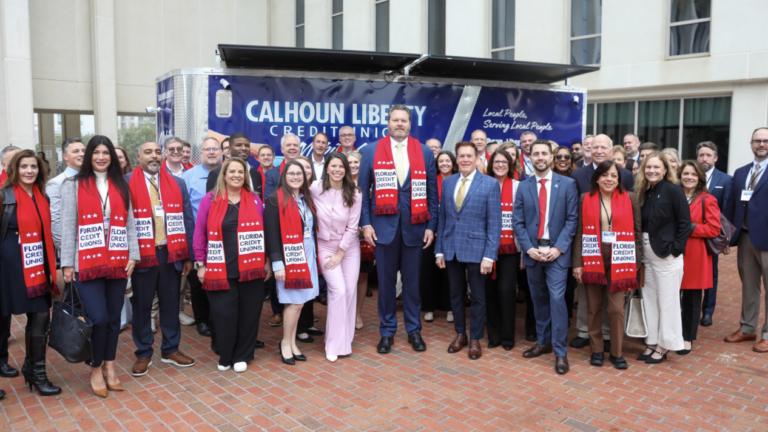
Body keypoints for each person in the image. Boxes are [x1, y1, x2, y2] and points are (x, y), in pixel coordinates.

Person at [61, 135, 140, 397]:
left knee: (114, 319)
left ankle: (110, 365)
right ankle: (95, 367)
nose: (101, 157)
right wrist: (67, 263)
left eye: (106, 153)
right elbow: (68, 225)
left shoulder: (121, 184)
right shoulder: (73, 185)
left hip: (118, 261)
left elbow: (130, 223)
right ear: (89, 156)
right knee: (99, 318)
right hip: (87, 262)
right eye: (96, 152)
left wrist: (133, 255)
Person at [358, 104, 439, 354]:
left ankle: (414, 330)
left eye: (404, 120)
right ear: (388, 123)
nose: (400, 124)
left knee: (413, 285)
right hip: (383, 229)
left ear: (410, 124)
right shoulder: (371, 151)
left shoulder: (424, 152)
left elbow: (432, 194)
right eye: (395, 120)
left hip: (415, 228)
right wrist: (366, 224)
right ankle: (387, 331)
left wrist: (431, 226)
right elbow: (363, 193)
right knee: (386, 285)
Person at [126, 142, 196, 376]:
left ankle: (170, 349)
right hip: (141, 255)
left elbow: (187, 219)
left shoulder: (177, 183)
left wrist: (188, 255)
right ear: (138, 157)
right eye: (148, 152)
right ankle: (143, 352)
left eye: (157, 152)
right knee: (142, 306)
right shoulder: (126, 182)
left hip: (171, 253)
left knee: (170, 304)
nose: (154, 156)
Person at [194, 157, 268, 372]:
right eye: (232, 171)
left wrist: (267, 261)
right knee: (224, 314)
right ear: (224, 175)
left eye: (240, 172)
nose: (237, 175)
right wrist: (201, 264)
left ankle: (243, 355)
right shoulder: (210, 200)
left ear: (245, 176)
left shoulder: (255, 200)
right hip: (220, 269)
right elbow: (200, 233)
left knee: (249, 314)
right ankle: (225, 354)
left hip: (251, 269)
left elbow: (264, 233)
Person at [512, 139, 578, 374]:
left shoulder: (568, 184)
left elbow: (572, 219)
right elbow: (518, 222)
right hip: (533, 254)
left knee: (557, 300)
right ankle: (543, 342)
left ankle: (560, 352)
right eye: (535, 154)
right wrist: (529, 249)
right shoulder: (523, 187)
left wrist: (558, 248)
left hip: (556, 255)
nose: (540, 157)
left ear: (552, 157)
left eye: (544, 153)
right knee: (538, 299)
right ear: (529, 158)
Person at [0, 150, 61, 396]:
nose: (29, 171)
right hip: (8, 268)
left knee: (40, 315)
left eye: (33, 166)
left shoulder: (42, 196)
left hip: (36, 266)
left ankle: (35, 371)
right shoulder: (3, 196)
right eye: (23, 166)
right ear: (14, 169)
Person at [572, 161, 642, 369]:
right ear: (597, 178)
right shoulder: (585, 198)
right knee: (593, 307)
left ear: (619, 179)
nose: (609, 179)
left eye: (613, 175)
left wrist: (635, 264)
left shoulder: (631, 198)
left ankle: (616, 353)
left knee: (616, 309)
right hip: (593, 255)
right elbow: (579, 232)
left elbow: (637, 232)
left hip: (621, 257)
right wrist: (577, 263)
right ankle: (596, 350)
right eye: (604, 175)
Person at [435, 142, 500, 360]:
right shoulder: (448, 182)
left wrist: (489, 256)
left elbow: (494, 224)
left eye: (469, 156)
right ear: (457, 159)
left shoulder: (490, 183)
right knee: (455, 294)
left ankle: (475, 338)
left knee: (478, 296)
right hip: (451, 248)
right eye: (461, 156)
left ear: (476, 158)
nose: (465, 159)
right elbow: (443, 219)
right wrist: (439, 251)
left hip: (477, 250)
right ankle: (460, 334)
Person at [570, 134, 634, 350]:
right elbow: (577, 220)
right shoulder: (578, 175)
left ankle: (609, 337)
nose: (598, 151)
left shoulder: (626, 175)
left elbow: (632, 215)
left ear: (611, 150)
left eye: (603, 147)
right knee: (589, 300)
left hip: (620, 249)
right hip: (591, 248)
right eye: (594, 147)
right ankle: (585, 333)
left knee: (615, 302)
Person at [636, 153, 691, 363]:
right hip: (647, 255)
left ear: (665, 169)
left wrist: (675, 250)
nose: (652, 171)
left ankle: (665, 345)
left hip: (666, 254)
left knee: (668, 302)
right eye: (648, 167)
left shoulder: (674, 190)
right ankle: (652, 341)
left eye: (656, 167)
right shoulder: (645, 191)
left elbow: (685, 223)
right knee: (649, 299)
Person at [265, 161, 319, 365]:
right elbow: (271, 235)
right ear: (284, 176)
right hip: (289, 257)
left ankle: (292, 343)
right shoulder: (275, 200)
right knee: (295, 303)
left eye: (299, 173)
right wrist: (278, 264)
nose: (296, 177)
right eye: (291, 173)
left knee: (299, 303)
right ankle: (285, 343)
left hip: (307, 254)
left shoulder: (306, 199)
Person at [310, 152, 362, 362]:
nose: (337, 170)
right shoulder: (315, 188)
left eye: (341, 166)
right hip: (324, 246)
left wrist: (341, 253)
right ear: (327, 168)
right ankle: (332, 344)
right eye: (333, 166)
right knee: (338, 291)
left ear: (346, 170)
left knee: (349, 291)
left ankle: (344, 341)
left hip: (349, 249)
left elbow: (352, 227)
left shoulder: (355, 193)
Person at [723, 127, 768, 352]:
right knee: (749, 285)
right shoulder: (740, 173)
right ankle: (748, 327)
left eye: (766, 141)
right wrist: (728, 236)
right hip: (745, 237)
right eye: (757, 141)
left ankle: (767, 334)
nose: (761, 144)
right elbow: (731, 205)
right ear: (751, 144)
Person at [678, 160, 721, 356]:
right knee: (671, 297)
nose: (689, 177)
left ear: (700, 178)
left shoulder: (707, 199)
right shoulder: (674, 195)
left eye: (693, 174)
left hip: (695, 255)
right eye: (686, 173)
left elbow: (714, 229)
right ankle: (672, 334)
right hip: (673, 252)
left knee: (692, 299)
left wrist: (692, 228)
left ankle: (687, 338)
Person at [183, 137, 223, 338]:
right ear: (201, 154)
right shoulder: (188, 176)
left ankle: (219, 319)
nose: (212, 152)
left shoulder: (230, 172)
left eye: (215, 148)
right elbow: (184, 209)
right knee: (198, 282)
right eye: (207, 149)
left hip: (223, 239)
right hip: (197, 237)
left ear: (222, 152)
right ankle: (202, 320)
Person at [484, 150, 522, 350]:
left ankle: (507, 337)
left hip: (511, 249)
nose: (500, 165)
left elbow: (524, 220)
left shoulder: (518, 187)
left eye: (504, 162)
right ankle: (494, 335)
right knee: (489, 291)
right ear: (491, 165)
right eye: (496, 162)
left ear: (510, 165)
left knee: (506, 291)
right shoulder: (483, 184)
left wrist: (524, 251)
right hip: (485, 249)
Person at [697, 141, 732, 327]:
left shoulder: (726, 180)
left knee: (712, 273)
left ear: (716, 158)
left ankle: (708, 311)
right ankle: (687, 307)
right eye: (701, 155)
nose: (704, 159)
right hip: (691, 233)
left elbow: (726, 211)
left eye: (708, 155)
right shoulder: (689, 176)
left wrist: (724, 239)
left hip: (712, 236)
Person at [422, 150, 456, 324]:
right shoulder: (430, 181)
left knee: (450, 274)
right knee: (428, 272)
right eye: (441, 161)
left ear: (453, 163)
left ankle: (450, 308)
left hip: (452, 235)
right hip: (430, 233)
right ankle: (429, 307)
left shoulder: (458, 180)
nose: (444, 164)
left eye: (447, 160)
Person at [347, 152, 373, 328]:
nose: (353, 165)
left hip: (364, 237)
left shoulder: (369, 184)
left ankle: (357, 314)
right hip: (344, 238)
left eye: (356, 162)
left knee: (362, 277)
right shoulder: (340, 183)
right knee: (346, 278)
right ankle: (345, 313)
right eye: (349, 162)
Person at [206, 132, 263, 198]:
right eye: (239, 145)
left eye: (247, 145)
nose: (244, 148)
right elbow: (210, 201)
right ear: (229, 149)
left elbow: (259, 201)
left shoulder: (256, 174)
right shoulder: (216, 174)